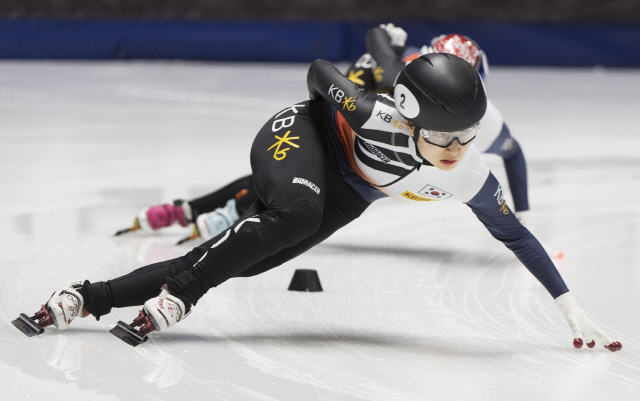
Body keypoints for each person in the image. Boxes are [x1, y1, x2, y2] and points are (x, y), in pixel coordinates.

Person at [16, 52, 620, 352]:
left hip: (352, 190)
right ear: (409, 119)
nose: (457, 152)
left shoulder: (469, 175)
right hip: (300, 133)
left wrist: (567, 305)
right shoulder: (374, 113)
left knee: (247, 259)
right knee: (292, 216)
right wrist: (350, 93)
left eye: (468, 138)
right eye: (443, 139)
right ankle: (184, 295)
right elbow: (316, 72)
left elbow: (514, 235)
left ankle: (85, 298)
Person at [118, 25, 537, 247]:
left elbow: (512, 153)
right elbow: (513, 154)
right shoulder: (405, 75)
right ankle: (217, 214)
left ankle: (193, 211)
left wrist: (521, 217)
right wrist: (523, 212)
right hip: (343, 117)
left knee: (285, 184)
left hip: (345, 112)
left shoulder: (426, 78)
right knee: (290, 184)